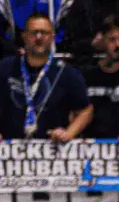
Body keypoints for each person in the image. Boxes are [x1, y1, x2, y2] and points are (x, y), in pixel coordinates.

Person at [0, 13, 91, 141]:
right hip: (9, 152)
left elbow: (85, 111)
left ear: (52, 36)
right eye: (34, 33)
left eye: (44, 33)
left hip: (51, 152)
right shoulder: (5, 67)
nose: (39, 37)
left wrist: (69, 133)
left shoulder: (67, 73)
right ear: (24, 36)